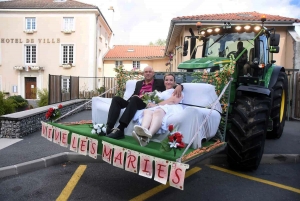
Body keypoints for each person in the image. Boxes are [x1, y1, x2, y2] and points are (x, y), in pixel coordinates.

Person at [106, 66, 183, 139]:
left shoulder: (159, 82)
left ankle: (121, 129)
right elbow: (135, 94)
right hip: (134, 101)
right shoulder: (139, 83)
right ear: (143, 74)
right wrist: (132, 98)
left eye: (150, 72)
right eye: (146, 72)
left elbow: (171, 84)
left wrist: (180, 86)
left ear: (153, 73)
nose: (148, 73)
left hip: (145, 103)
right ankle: (109, 127)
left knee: (135, 99)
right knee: (116, 99)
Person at [132, 73, 184, 147]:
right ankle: (143, 131)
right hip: (161, 106)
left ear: (174, 82)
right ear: (164, 82)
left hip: (172, 106)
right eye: (166, 80)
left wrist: (156, 105)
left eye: (171, 80)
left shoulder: (176, 91)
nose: (168, 82)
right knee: (147, 111)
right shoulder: (161, 92)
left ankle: (149, 134)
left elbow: (173, 101)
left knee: (158, 111)